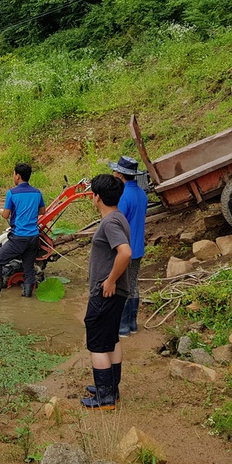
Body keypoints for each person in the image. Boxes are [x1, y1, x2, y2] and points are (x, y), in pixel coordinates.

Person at [81, 173, 132, 409]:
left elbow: (125, 252)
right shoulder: (118, 217)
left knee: (98, 344)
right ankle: (111, 388)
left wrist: (110, 281)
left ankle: (105, 398)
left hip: (106, 292)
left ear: (97, 197)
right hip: (116, 292)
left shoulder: (110, 222)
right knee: (111, 339)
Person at [0, 163, 46, 299]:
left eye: (13, 174)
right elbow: (42, 211)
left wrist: (2, 211)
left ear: (18, 176)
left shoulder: (12, 193)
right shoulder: (37, 192)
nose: (13, 177)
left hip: (19, 237)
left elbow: (6, 215)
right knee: (28, 268)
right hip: (33, 237)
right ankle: (27, 296)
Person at [109, 156, 148, 337]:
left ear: (121, 175)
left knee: (121, 286)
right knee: (133, 284)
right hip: (138, 248)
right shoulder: (141, 194)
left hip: (124, 249)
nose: (114, 174)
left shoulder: (123, 196)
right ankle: (132, 323)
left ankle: (122, 326)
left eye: (115, 171)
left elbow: (117, 222)